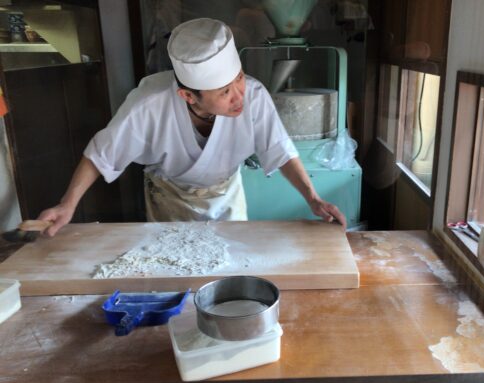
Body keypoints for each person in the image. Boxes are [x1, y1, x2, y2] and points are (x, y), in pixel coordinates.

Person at [38, 18, 345, 236]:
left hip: (227, 196)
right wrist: (67, 206)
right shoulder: (149, 103)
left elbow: (280, 150)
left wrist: (313, 198)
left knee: (232, 271)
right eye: (224, 92)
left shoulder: (254, 95)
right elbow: (101, 155)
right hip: (169, 200)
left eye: (239, 78)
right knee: (177, 276)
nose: (239, 95)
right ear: (187, 95)